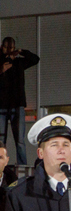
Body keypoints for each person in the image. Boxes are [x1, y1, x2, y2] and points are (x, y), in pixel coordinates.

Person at [0, 37, 39, 166]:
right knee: (1, 140)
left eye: (11, 48)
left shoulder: (19, 63)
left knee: (20, 140)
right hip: (1, 105)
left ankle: (22, 167)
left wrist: (22, 51)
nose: (8, 50)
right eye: (6, 47)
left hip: (17, 105)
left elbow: (35, 59)